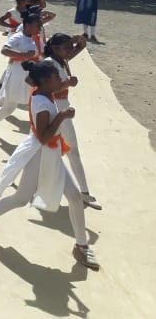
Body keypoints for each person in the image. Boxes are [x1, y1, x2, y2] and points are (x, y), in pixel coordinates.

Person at [0, 60, 99, 271]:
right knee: (21, 198)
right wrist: (63, 116)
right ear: (46, 81)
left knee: (74, 196)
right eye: (57, 78)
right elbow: (44, 137)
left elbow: (35, 78)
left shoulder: (43, 90)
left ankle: (81, 245)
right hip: (39, 155)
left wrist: (65, 84)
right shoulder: (42, 104)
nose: (60, 81)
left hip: (52, 153)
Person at [46, 33, 102, 210]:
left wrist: (79, 41)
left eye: (71, 47)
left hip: (61, 106)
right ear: (56, 49)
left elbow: (80, 48)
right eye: (67, 47)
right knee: (71, 150)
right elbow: (48, 88)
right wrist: (67, 84)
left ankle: (23, 180)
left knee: (43, 148)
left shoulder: (61, 59)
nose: (71, 51)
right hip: (57, 108)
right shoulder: (50, 63)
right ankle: (84, 192)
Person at [0, 13, 44, 136]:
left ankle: (40, 135)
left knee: (38, 105)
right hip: (17, 76)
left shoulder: (37, 38)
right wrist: (24, 55)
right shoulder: (18, 37)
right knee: (10, 105)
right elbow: (4, 50)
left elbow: (44, 53)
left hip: (33, 77)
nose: (40, 28)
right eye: (38, 25)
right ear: (28, 25)